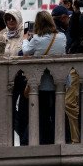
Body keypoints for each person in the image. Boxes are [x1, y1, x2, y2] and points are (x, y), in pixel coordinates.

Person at [19, 10, 67, 145]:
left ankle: (29, 140)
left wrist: (24, 40)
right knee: (55, 112)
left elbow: (26, 52)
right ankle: (54, 139)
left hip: (42, 82)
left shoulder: (36, 39)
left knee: (40, 113)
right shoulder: (62, 37)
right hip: (59, 80)